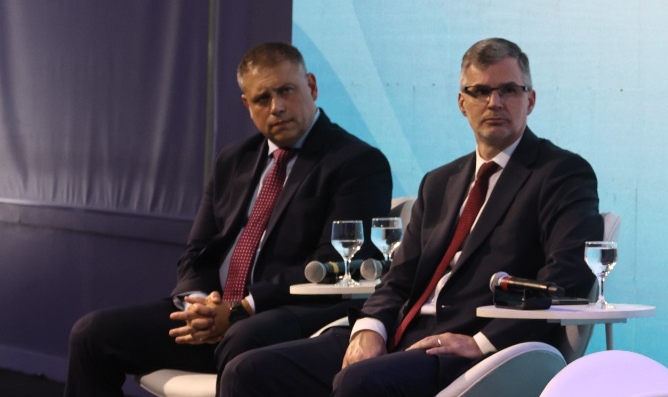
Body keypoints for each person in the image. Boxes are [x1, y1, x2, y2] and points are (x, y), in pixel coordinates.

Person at [219, 37, 601, 397]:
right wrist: (371, 329)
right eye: (480, 91)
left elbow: (566, 277)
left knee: (360, 382)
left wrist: (482, 342)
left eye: (508, 90)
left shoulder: (561, 174)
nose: (494, 102)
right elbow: (398, 278)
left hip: (473, 350)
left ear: (530, 100)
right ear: (461, 102)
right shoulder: (440, 182)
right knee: (247, 370)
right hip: (403, 335)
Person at [66, 43, 393, 396]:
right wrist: (198, 304)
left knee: (243, 336)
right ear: (246, 105)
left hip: (290, 312)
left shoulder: (357, 162)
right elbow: (198, 250)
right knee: (92, 334)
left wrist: (241, 309)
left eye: (286, 91)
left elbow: (336, 262)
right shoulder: (232, 160)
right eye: (262, 98)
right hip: (215, 311)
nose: (277, 107)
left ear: (311, 87)